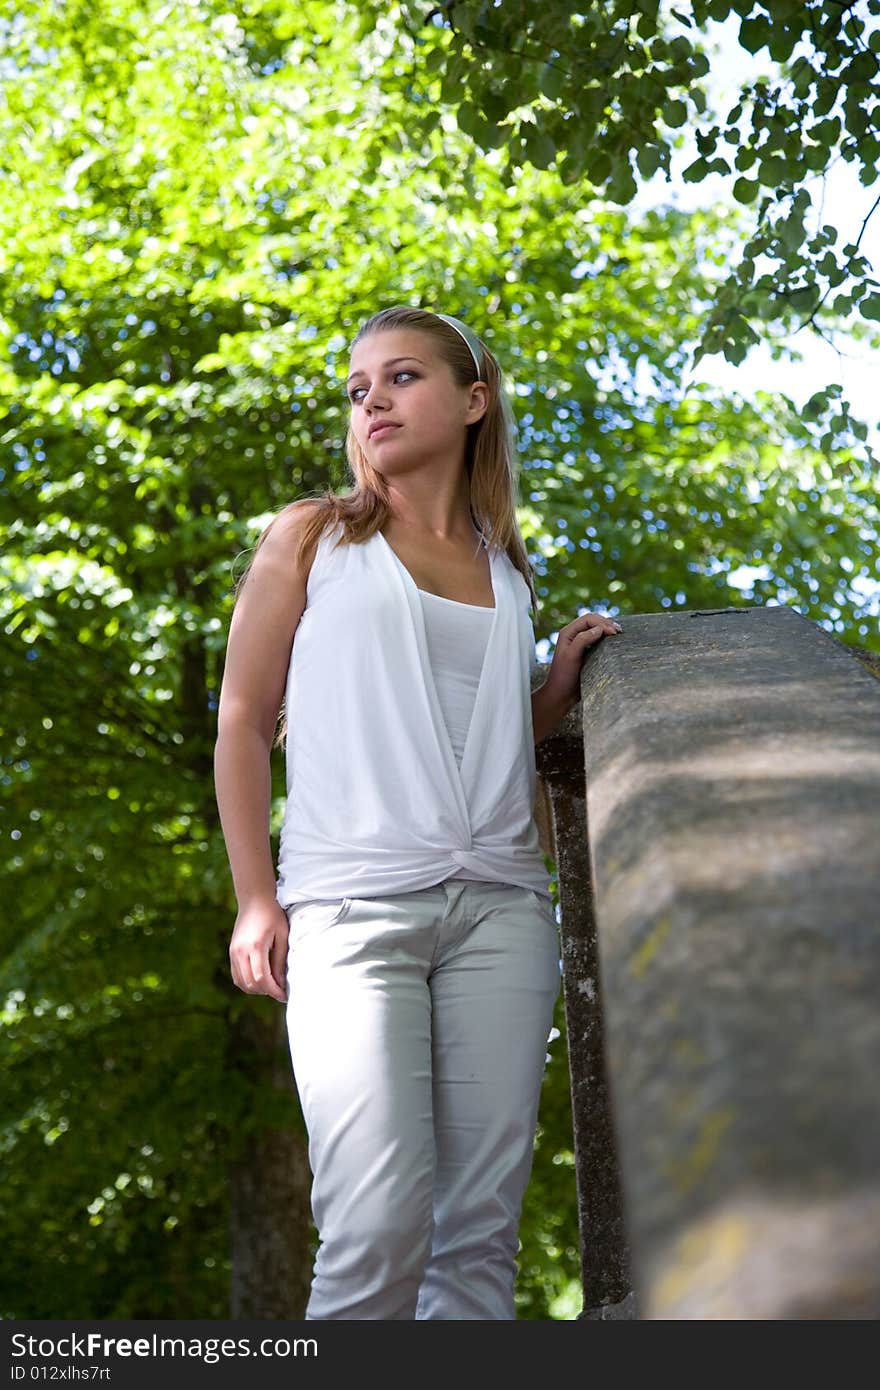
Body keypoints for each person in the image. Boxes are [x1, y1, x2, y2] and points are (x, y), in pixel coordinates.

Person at [214, 306, 623, 1320]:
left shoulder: (505, 571)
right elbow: (240, 722)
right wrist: (254, 901)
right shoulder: (312, 537)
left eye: (400, 378)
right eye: (358, 390)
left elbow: (474, 744)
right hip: (351, 912)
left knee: (477, 1231)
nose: (372, 401)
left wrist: (556, 685)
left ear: (473, 399)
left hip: (500, 911)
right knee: (376, 1220)